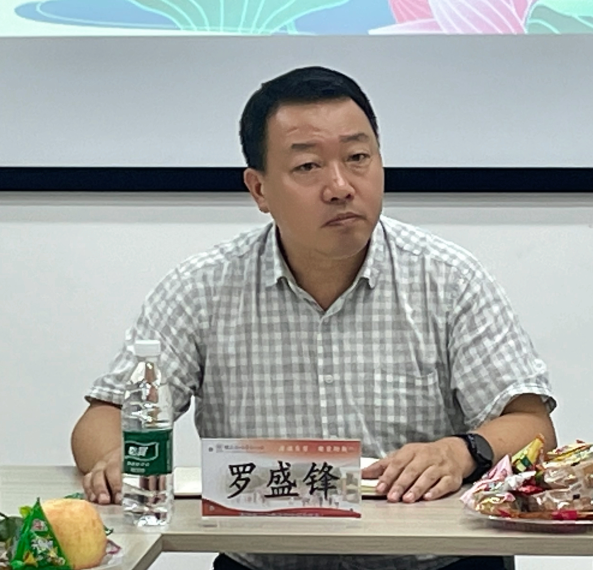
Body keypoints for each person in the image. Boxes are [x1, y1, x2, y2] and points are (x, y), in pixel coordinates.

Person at [71, 66, 557, 570]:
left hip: (435, 565)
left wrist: (459, 452)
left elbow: (532, 426)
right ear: (259, 189)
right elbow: (102, 417)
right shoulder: (203, 287)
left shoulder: (448, 278)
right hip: (266, 564)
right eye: (308, 166)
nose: (340, 186)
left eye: (358, 158)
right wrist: (114, 460)